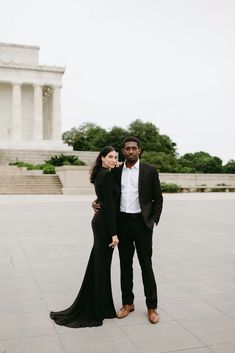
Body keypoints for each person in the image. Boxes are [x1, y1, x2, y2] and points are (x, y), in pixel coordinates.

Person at [93, 136, 163, 324]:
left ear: (139, 150)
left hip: (142, 224)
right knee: (125, 265)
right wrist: (96, 202)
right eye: (127, 149)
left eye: (134, 148)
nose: (130, 151)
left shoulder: (149, 170)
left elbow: (158, 198)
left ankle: (152, 307)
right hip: (122, 223)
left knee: (146, 265)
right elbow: (109, 195)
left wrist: (153, 220)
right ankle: (127, 303)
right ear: (123, 151)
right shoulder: (116, 172)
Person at [50, 146, 120, 328]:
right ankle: (97, 309)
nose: (114, 160)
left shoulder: (100, 173)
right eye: (110, 157)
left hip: (100, 221)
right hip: (105, 225)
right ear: (103, 158)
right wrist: (114, 233)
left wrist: (97, 202)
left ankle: (102, 306)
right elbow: (110, 206)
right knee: (101, 267)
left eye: (115, 157)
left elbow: (104, 199)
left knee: (98, 265)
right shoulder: (107, 175)